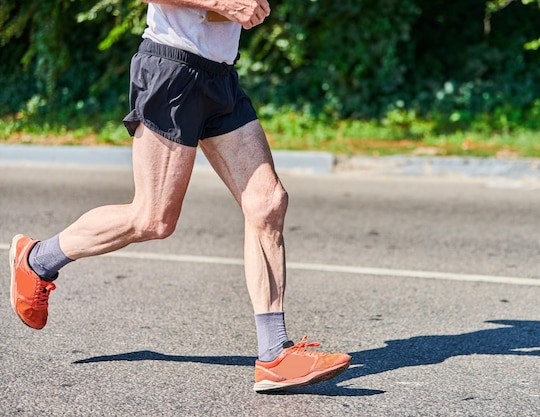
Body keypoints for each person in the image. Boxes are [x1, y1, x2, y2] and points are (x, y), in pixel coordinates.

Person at [8, 0, 350, 393]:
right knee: (153, 219)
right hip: (172, 69)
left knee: (268, 201)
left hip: (219, 76)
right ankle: (37, 259)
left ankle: (274, 355)